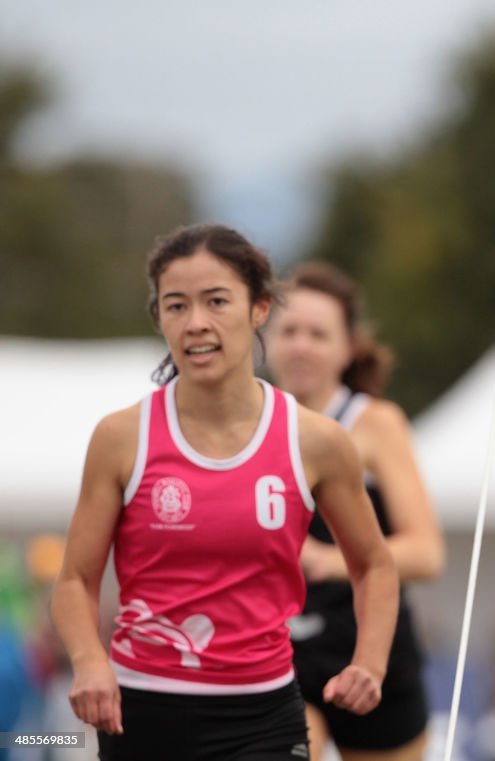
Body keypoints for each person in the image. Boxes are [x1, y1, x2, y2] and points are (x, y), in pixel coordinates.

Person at [50, 224, 399, 761]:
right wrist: (89, 661)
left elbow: (374, 565)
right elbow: (75, 578)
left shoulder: (316, 441)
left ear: (260, 309)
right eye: (176, 306)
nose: (196, 324)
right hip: (141, 713)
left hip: (263, 717)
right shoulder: (121, 438)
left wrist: (369, 664)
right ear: (159, 318)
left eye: (216, 301)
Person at [266, 262, 444, 761]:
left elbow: (426, 553)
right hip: (283, 656)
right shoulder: (249, 426)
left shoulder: (375, 424)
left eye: (318, 334)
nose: (301, 345)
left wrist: (327, 560)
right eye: (290, 331)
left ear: (347, 348)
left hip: (374, 649)